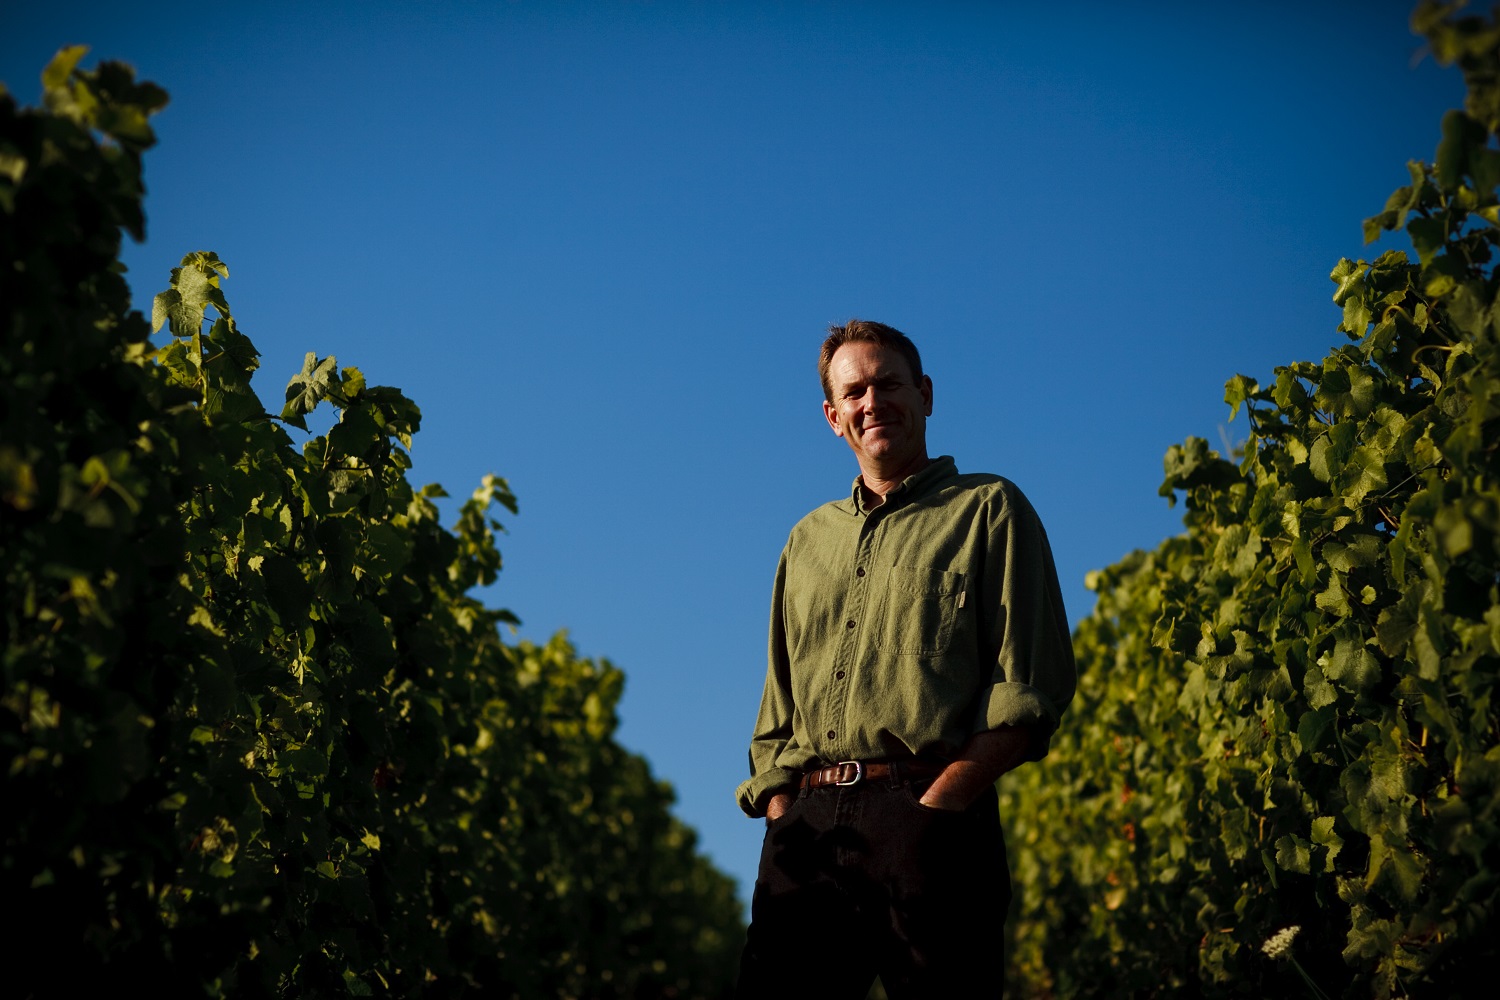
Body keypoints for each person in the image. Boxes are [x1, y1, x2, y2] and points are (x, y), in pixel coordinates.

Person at [734, 319, 1077, 998]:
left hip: (931, 825)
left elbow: (1028, 685)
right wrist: (782, 811)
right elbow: (777, 711)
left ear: (924, 394)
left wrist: (938, 804)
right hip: (804, 835)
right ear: (833, 417)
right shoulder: (806, 542)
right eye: (854, 391)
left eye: (888, 383)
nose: (872, 402)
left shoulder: (989, 509)